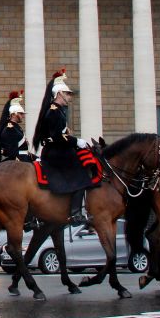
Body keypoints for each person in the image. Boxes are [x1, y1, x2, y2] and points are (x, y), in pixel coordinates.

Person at [31, 69, 93, 224]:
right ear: (59, 94)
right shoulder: (54, 111)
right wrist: (76, 141)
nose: (69, 97)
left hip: (58, 149)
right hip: (56, 152)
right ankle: (75, 213)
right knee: (82, 174)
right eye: (67, 94)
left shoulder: (57, 110)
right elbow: (57, 136)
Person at [0, 91, 30, 162]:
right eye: (20, 113)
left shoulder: (16, 127)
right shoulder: (10, 128)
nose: (23, 116)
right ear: (13, 114)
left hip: (24, 156)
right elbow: (11, 150)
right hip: (18, 158)